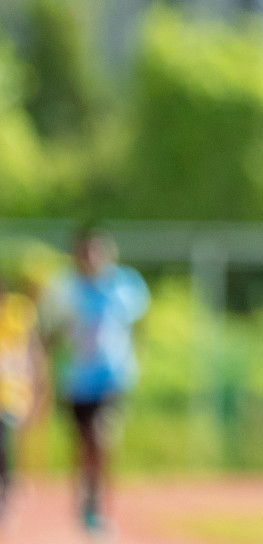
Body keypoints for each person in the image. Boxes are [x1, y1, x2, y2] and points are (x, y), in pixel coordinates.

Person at [40, 228, 150, 534]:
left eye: (97, 252)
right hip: (76, 379)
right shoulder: (64, 290)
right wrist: (45, 374)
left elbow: (138, 324)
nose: (91, 259)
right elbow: (49, 335)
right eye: (85, 253)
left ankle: (98, 505)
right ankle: (84, 497)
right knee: (82, 443)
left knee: (102, 437)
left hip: (113, 377)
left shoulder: (124, 286)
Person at [0, 274, 47, 526]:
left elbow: (33, 349)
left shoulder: (19, 313)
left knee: (5, 443)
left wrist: (40, 386)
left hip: (12, 393)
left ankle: (7, 490)